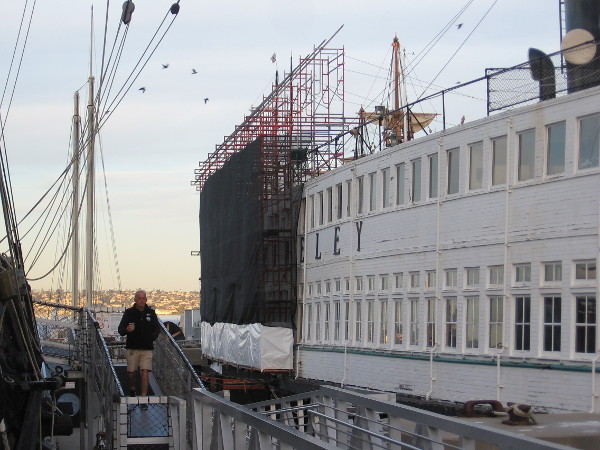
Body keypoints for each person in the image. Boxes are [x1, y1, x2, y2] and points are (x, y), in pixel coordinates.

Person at [118, 290, 160, 402]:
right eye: (139, 298)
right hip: (132, 347)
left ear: (146, 300)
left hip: (147, 347)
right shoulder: (129, 313)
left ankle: (143, 398)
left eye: (143, 298)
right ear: (135, 299)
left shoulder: (151, 313)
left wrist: (152, 337)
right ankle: (132, 389)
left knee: (144, 371)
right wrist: (127, 329)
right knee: (131, 372)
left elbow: (157, 329)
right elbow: (120, 329)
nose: (141, 301)